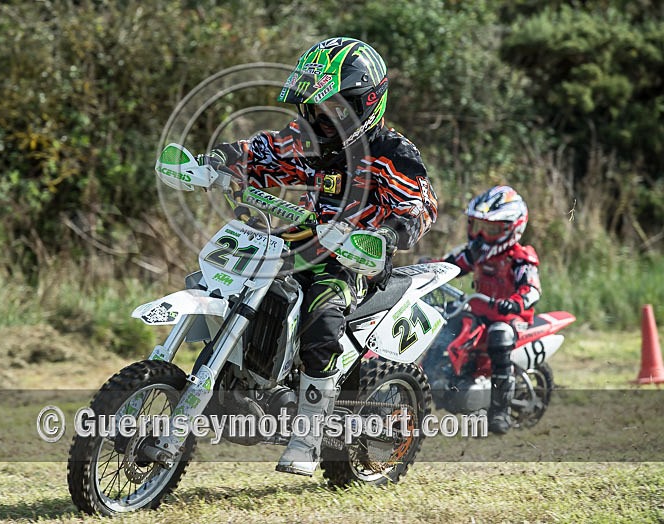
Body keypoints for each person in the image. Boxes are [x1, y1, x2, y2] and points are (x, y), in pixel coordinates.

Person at [197, 37, 438, 475]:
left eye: (329, 109)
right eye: (313, 108)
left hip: (353, 260)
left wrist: (386, 235)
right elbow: (262, 152)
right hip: (300, 242)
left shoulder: (392, 152)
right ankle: (240, 380)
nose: (318, 118)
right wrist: (215, 162)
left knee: (322, 315)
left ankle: (307, 437)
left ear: (363, 104)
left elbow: (421, 205)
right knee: (229, 280)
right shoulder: (308, 142)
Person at [437, 185, 541, 435]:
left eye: (491, 229)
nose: (482, 235)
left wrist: (515, 301)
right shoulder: (477, 253)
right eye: (477, 226)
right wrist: (430, 269)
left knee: (500, 334)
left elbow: (532, 288)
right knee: (444, 321)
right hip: (479, 310)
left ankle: (499, 412)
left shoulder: (520, 258)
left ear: (512, 229)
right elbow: (451, 266)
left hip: (510, 317)